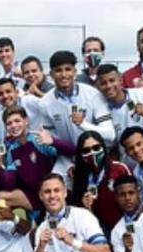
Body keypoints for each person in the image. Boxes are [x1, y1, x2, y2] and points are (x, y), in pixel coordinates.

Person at [39, 50, 114, 184]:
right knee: (53, 187)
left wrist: (83, 124)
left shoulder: (93, 95)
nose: (63, 75)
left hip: (95, 154)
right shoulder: (45, 103)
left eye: (68, 69)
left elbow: (110, 135)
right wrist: (68, 164)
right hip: (67, 159)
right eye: (58, 70)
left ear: (75, 71)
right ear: (51, 74)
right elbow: (51, 142)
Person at [0, 106, 74, 214]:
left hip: (52, 192)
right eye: (9, 123)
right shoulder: (12, 150)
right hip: (34, 196)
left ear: (26, 121)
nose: (14, 126)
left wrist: (53, 142)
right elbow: (9, 183)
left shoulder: (37, 139)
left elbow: (71, 150)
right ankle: (19, 224)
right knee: (0, 198)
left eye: (17, 121)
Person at [95, 63, 143, 164]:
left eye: (112, 81)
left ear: (120, 80)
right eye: (103, 83)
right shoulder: (99, 111)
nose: (108, 86)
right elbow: (111, 148)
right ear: (98, 86)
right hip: (129, 168)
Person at [69, 131, 131, 234]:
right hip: (100, 231)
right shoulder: (81, 176)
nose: (92, 153)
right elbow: (78, 211)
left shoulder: (119, 169)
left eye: (96, 148)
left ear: (103, 147)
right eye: (86, 150)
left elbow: (134, 199)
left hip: (124, 227)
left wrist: (130, 228)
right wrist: (85, 206)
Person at [0, 78, 43, 145]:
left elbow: (50, 106)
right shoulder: (2, 112)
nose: (5, 96)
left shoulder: (28, 101)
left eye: (8, 91)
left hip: (40, 145)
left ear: (16, 92)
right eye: (0, 94)